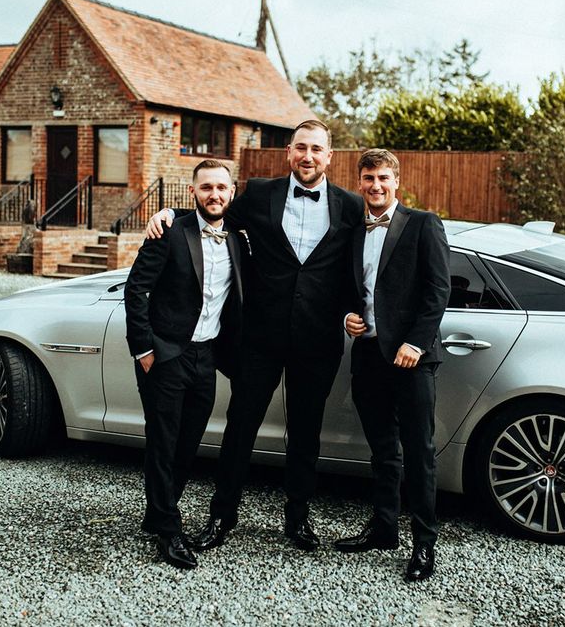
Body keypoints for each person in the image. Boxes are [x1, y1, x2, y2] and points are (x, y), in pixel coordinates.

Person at [147, 120, 364, 551]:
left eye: (316, 149)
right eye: (301, 148)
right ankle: (221, 517)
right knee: (240, 428)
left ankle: (297, 520)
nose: (308, 156)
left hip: (317, 340)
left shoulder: (350, 206)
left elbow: (362, 263)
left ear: (329, 156)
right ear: (288, 152)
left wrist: (355, 311)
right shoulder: (261, 194)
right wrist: (169, 214)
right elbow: (214, 216)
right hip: (259, 338)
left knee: (306, 432)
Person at [334, 148, 450, 583]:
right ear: (360, 182)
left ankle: (424, 544)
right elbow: (352, 289)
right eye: (368, 178)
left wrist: (416, 345)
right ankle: (383, 529)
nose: (375, 185)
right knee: (383, 451)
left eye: (383, 177)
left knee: (419, 452)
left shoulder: (423, 224)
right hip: (367, 354)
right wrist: (346, 314)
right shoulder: (353, 230)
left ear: (396, 181)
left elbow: (438, 291)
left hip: (411, 360)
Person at [125, 159, 244, 569]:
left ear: (232, 192)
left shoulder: (239, 238)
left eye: (221, 188)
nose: (214, 194)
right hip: (165, 354)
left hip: (206, 357)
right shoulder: (170, 229)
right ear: (193, 192)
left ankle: (158, 510)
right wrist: (143, 349)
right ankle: (168, 530)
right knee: (163, 442)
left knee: (189, 443)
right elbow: (136, 289)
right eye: (206, 187)